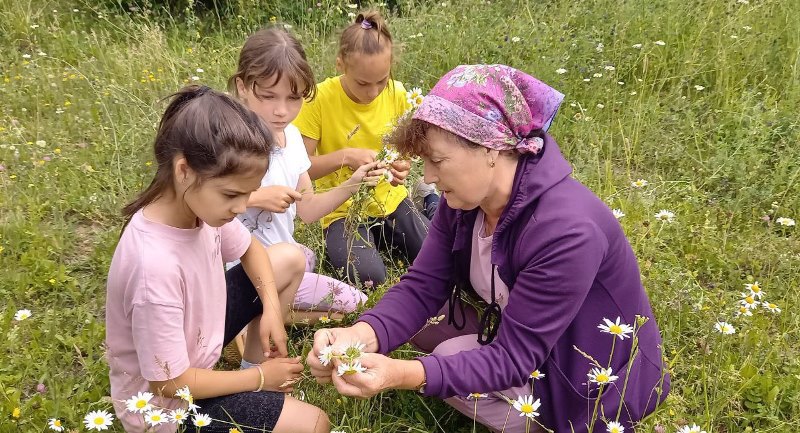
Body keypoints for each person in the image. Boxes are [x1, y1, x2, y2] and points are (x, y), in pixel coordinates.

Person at [306, 65, 669, 432]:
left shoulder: (567, 231)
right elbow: (422, 285)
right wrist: (359, 335)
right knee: (424, 332)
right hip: (536, 342)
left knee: (444, 360)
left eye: (437, 160)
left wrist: (404, 373)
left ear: (490, 148)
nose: (428, 177)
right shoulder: (464, 201)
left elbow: (514, 357)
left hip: (587, 381)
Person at [105, 86, 330, 433]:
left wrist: (271, 309)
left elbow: (252, 249)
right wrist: (259, 379)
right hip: (168, 409)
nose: (242, 207)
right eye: (231, 194)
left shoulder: (199, 210)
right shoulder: (153, 267)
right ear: (184, 171)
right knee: (315, 423)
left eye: (248, 193)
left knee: (288, 258)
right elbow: (168, 384)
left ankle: (246, 367)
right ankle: (248, 378)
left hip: (195, 348)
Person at [228, 26, 380, 321]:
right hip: (238, 268)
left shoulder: (292, 137)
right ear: (243, 86)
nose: (281, 111)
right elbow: (198, 204)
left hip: (280, 257)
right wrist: (256, 197)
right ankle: (249, 321)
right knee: (353, 303)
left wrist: (352, 184)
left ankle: (257, 316)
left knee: (310, 262)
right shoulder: (231, 141)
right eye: (269, 96)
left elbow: (308, 210)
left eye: (293, 98)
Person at [293, 10, 429, 287]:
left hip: (389, 199)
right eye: (363, 83)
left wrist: (402, 165)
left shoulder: (398, 94)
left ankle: (429, 202)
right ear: (340, 64)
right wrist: (346, 157)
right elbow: (300, 168)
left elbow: (406, 149)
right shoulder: (317, 100)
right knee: (369, 277)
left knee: (432, 256)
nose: (373, 92)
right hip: (342, 209)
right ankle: (361, 241)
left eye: (382, 80)